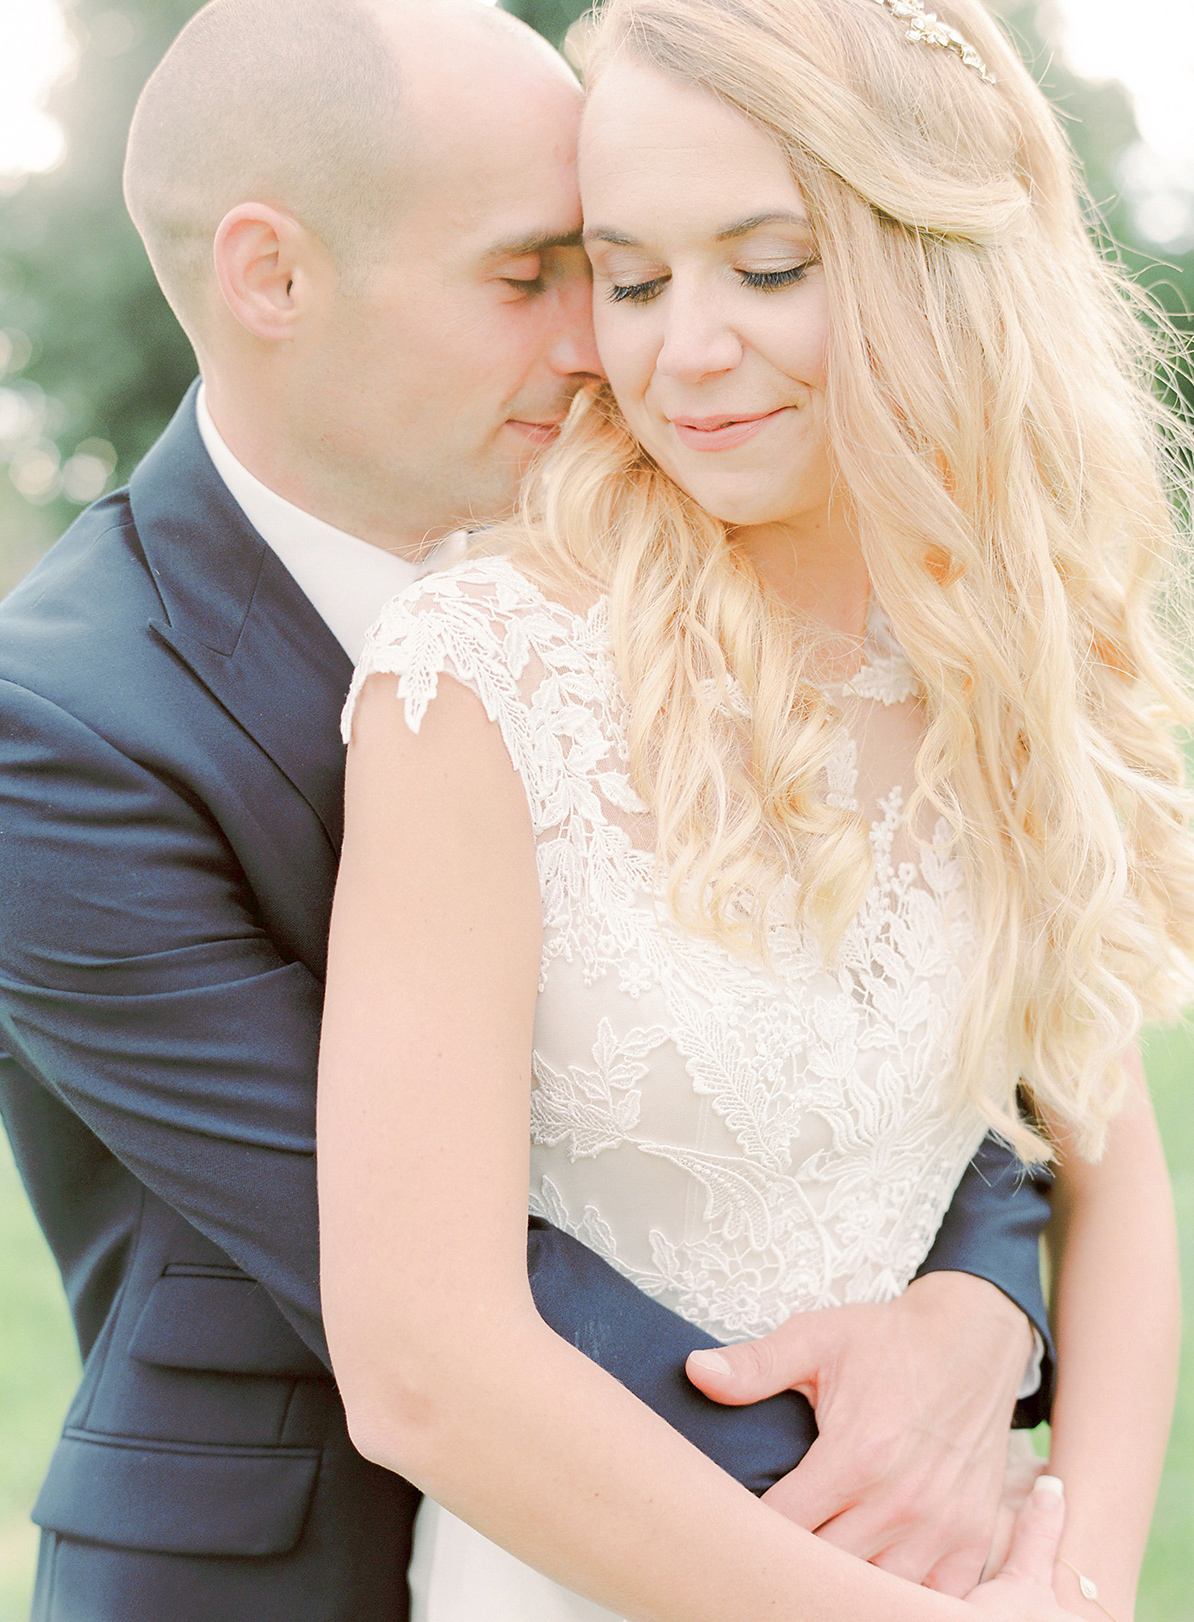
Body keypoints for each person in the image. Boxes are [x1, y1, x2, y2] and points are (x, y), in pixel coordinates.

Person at [0, 0, 1058, 1618]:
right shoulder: (57, 729)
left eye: (607, 266)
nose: (607, 343)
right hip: (287, 1576)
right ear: (273, 276)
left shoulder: (686, 563)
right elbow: (439, 1270)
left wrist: (981, 1314)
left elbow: (872, 1007)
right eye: (533, 274)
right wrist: (881, 1480)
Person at [318, 0, 1194, 1618]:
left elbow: (1113, 1178)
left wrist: (1074, 1586)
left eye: (769, 267)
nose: (684, 349)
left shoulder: (1002, 658)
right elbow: (417, 1362)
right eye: (633, 279)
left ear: (938, 262)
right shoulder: (483, 678)